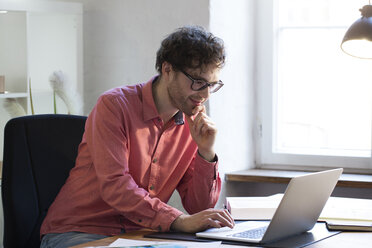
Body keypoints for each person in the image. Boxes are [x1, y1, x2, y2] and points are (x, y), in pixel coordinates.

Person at [40, 25, 235, 248]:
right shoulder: (114, 106)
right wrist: (177, 220)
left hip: (140, 236)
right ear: (168, 69)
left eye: (212, 85)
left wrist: (206, 153)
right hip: (79, 232)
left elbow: (199, 208)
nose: (205, 94)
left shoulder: (192, 122)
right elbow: (116, 186)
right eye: (198, 82)